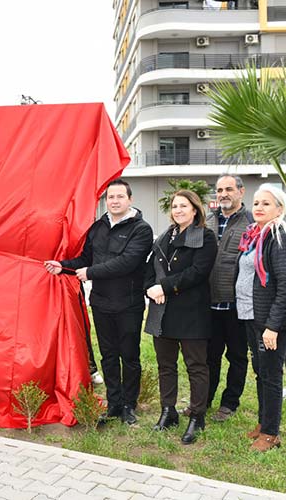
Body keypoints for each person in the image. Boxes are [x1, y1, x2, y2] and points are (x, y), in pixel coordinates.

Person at [44, 179, 153, 425]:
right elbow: (85, 258)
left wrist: (91, 273)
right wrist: (63, 267)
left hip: (129, 304)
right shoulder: (98, 227)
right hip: (102, 303)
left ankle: (129, 405)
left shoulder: (141, 229)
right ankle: (114, 404)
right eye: (110, 197)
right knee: (108, 356)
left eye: (119, 197)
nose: (114, 201)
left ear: (130, 199)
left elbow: (128, 262)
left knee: (130, 356)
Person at [235, 185, 286, 452]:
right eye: (256, 203)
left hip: (270, 321)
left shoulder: (283, 236)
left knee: (272, 375)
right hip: (251, 315)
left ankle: (271, 433)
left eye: (266, 203)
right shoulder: (257, 235)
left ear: (280, 208)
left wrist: (272, 326)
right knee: (261, 373)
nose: (258, 208)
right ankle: (263, 423)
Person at [144, 190, 217, 444]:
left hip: (191, 312)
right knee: (166, 365)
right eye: (175, 206)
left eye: (183, 206)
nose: (178, 210)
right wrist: (151, 289)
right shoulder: (165, 236)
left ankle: (197, 416)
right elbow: (150, 269)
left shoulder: (205, 237)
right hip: (161, 311)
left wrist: (164, 287)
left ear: (195, 209)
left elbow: (198, 272)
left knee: (196, 366)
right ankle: (168, 411)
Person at [205, 174, 253, 422]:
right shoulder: (207, 221)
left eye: (228, 189)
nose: (223, 194)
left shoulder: (252, 222)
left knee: (236, 356)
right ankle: (204, 400)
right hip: (209, 303)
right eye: (219, 190)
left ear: (241, 192)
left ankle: (229, 403)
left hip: (237, 304)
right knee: (208, 356)